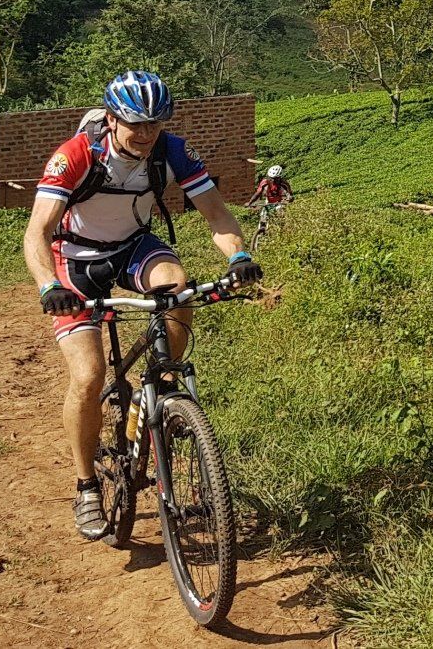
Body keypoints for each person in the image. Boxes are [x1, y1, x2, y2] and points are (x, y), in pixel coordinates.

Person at [22, 69, 261, 540]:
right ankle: (86, 483)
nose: (147, 133)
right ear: (112, 120)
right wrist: (49, 285)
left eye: (156, 123)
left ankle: (162, 389)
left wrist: (238, 254)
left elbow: (217, 213)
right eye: (136, 124)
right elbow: (37, 232)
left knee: (176, 284)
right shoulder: (76, 155)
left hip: (134, 247)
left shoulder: (172, 150)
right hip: (74, 259)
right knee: (89, 377)